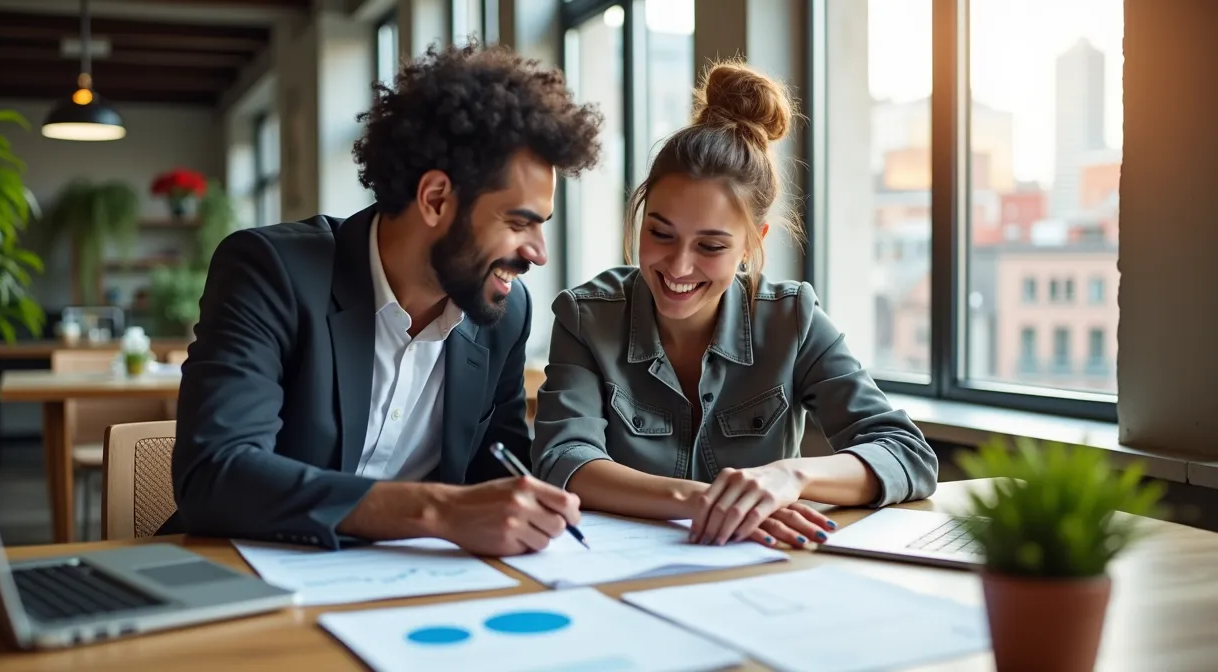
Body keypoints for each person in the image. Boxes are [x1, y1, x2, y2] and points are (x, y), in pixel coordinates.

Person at [162, 41, 605, 557]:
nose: (539, 254)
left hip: (404, 585)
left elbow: (494, 469)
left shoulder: (505, 312)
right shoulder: (271, 271)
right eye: (517, 222)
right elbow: (215, 474)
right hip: (240, 573)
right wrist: (437, 511)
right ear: (435, 199)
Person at [530, 61, 938, 549]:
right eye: (660, 234)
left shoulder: (792, 319)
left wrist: (790, 477)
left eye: (710, 246)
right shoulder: (585, 316)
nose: (679, 266)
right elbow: (564, 460)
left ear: (751, 243)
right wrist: (705, 501)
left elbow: (907, 454)